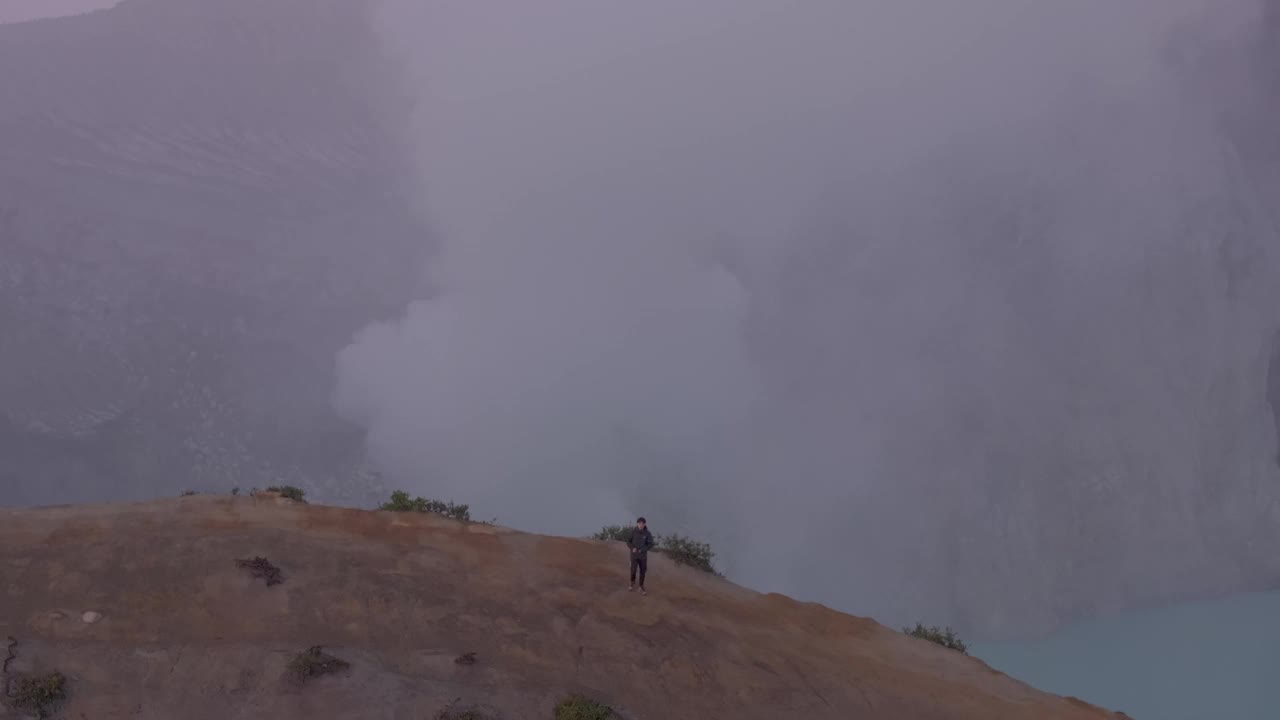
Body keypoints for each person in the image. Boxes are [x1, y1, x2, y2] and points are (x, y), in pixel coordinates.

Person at [627, 516, 655, 594]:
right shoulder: (633, 532)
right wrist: (632, 548)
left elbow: (651, 544)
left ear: (644, 524)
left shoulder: (647, 533)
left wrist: (643, 549)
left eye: (642, 524)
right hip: (634, 556)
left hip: (643, 557)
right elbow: (628, 541)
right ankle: (632, 582)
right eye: (639, 523)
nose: (641, 525)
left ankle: (641, 586)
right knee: (633, 570)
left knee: (643, 571)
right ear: (637, 524)